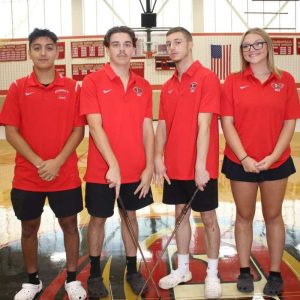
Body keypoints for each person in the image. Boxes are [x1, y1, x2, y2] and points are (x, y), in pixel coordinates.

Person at [0, 28, 86, 300]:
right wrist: (40, 163)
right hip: (29, 175)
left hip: (64, 173)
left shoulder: (73, 88)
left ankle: (72, 278)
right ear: (30, 53)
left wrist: (57, 162)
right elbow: (11, 131)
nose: (43, 53)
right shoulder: (17, 88)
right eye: (37, 48)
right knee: (28, 228)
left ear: (57, 51)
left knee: (70, 224)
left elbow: (78, 130)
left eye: (49, 47)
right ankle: (32, 280)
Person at [220, 27, 300, 296]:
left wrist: (273, 157)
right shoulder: (232, 81)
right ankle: (244, 270)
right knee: (243, 216)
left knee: (274, 216)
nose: (251, 50)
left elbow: (290, 123)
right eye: (245, 46)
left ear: (268, 46)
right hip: (240, 161)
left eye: (256, 44)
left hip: (275, 163)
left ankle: (275, 273)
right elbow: (227, 123)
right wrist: (244, 158)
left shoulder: (285, 80)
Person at [80, 26, 154, 298]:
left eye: (126, 44)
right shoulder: (92, 82)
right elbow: (95, 126)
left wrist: (147, 167)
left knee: (130, 217)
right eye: (116, 44)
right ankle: (95, 273)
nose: (122, 48)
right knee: (98, 219)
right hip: (103, 170)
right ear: (107, 48)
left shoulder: (143, 86)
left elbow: (148, 129)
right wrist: (113, 164)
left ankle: (133, 270)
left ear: (134, 48)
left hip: (135, 169)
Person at [154, 27, 222, 299]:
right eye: (169, 43)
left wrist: (200, 165)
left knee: (208, 218)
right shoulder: (169, 85)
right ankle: (183, 268)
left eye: (178, 42)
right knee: (179, 216)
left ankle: (213, 272)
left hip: (200, 167)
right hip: (174, 166)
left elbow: (204, 124)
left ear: (191, 44)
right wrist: (159, 156)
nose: (172, 47)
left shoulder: (207, 78)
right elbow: (162, 127)